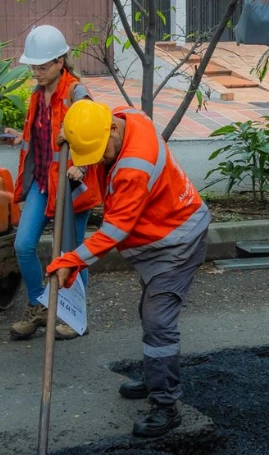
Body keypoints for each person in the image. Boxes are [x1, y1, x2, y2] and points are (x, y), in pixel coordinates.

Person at [47, 100, 211, 437]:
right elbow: (89, 117)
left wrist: (72, 259)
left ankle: (166, 406)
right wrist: (68, 135)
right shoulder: (125, 116)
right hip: (162, 232)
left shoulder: (134, 166)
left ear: (112, 130)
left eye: (100, 151)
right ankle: (156, 378)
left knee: (157, 321)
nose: (99, 160)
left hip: (177, 242)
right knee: (150, 313)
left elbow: (115, 231)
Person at [1, 25, 101, 342]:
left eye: (42, 66)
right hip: (42, 184)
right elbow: (42, 137)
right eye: (33, 66)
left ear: (60, 61)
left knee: (71, 253)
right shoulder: (36, 96)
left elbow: (95, 132)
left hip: (70, 188)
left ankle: (76, 317)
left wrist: (82, 167)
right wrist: (21, 137)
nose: (36, 72)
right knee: (23, 245)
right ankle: (39, 305)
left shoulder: (76, 94)